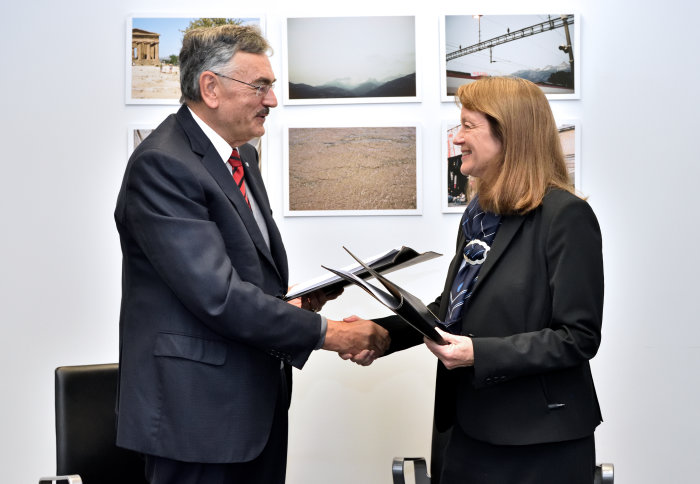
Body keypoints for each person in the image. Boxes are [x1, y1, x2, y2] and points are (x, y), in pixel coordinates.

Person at [114, 24, 389, 484]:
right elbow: (218, 297)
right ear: (211, 87)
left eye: (272, 86)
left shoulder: (242, 156)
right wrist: (330, 335)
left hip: (250, 409)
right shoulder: (163, 164)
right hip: (197, 419)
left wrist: (294, 301)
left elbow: (239, 277)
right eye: (259, 86)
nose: (272, 100)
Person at [344, 76, 604, 484]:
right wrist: (380, 333)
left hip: (539, 442)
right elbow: (452, 309)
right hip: (467, 429)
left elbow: (578, 337)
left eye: (468, 125)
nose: (457, 138)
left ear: (509, 132)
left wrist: (478, 354)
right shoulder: (480, 215)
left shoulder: (566, 217)